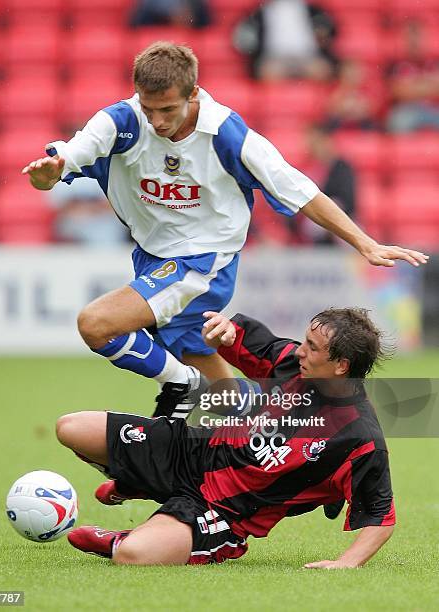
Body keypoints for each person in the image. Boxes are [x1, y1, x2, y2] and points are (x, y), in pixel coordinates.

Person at [22, 42, 427, 420]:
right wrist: (45, 177)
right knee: (229, 401)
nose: (157, 121)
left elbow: (300, 191)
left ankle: (181, 385)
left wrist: (365, 243)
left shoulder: (228, 136)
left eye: (167, 110)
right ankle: (293, 425)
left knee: (97, 324)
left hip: (203, 262)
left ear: (193, 94)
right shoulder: (120, 123)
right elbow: (59, 167)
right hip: (153, 256)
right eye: (149, 109)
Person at [56, 307, 395, 567]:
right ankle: (138, 482)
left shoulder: (359, 437)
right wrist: (224, 330)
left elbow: (382, 516)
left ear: (341, 366)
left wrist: (346, 563)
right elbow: (244, 340)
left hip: (223, 509)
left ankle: (125, 535)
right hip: (192, 452)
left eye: (313, 347)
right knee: (70, 428)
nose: (301, 350)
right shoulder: (293, 363)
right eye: (305, 340)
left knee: (132, 555)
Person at [233, 0, 338, 81]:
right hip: (273, 60)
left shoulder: (314, 11)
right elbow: (243, 41)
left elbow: (330, 31)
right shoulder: (258, 14)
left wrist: (323, 35)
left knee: (322, 70)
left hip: (308, 59)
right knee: (269, 72)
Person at [289, 124, 356, 245]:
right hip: (314, 219)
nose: (313, 147)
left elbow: (348, 201)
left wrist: (330, 216)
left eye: (316, 142)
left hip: (340, 218)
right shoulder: (309, 167)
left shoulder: (342, 168)